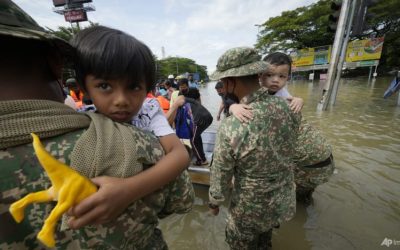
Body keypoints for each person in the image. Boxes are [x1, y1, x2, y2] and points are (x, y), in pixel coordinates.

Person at [0, 2, 193, 248]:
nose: (121, 100)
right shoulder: (85, 116)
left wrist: (129, 190)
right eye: (105, 86)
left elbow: (178, 155)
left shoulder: (149, 112)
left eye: (134, 87)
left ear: (147, 88)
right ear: (83, 86)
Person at [208, 47, 301, 249]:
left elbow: (221, 171)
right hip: (280, 202)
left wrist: (215, 201)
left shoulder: (231, 125)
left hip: (249, 209)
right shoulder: (290, 108)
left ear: (230, 82)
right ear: (258, 74)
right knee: (265, 243)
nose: (223, 86)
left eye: (224, 81)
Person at [233, 52, 335, 204]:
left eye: (282, 76)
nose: (275, 80)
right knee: (304, 197)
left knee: (291, 200)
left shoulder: (284, 99)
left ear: (288, 77)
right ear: (259, 75)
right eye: (270, 75)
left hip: (308, 164)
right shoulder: (266, 96)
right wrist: (234, 107)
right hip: (323, 159)